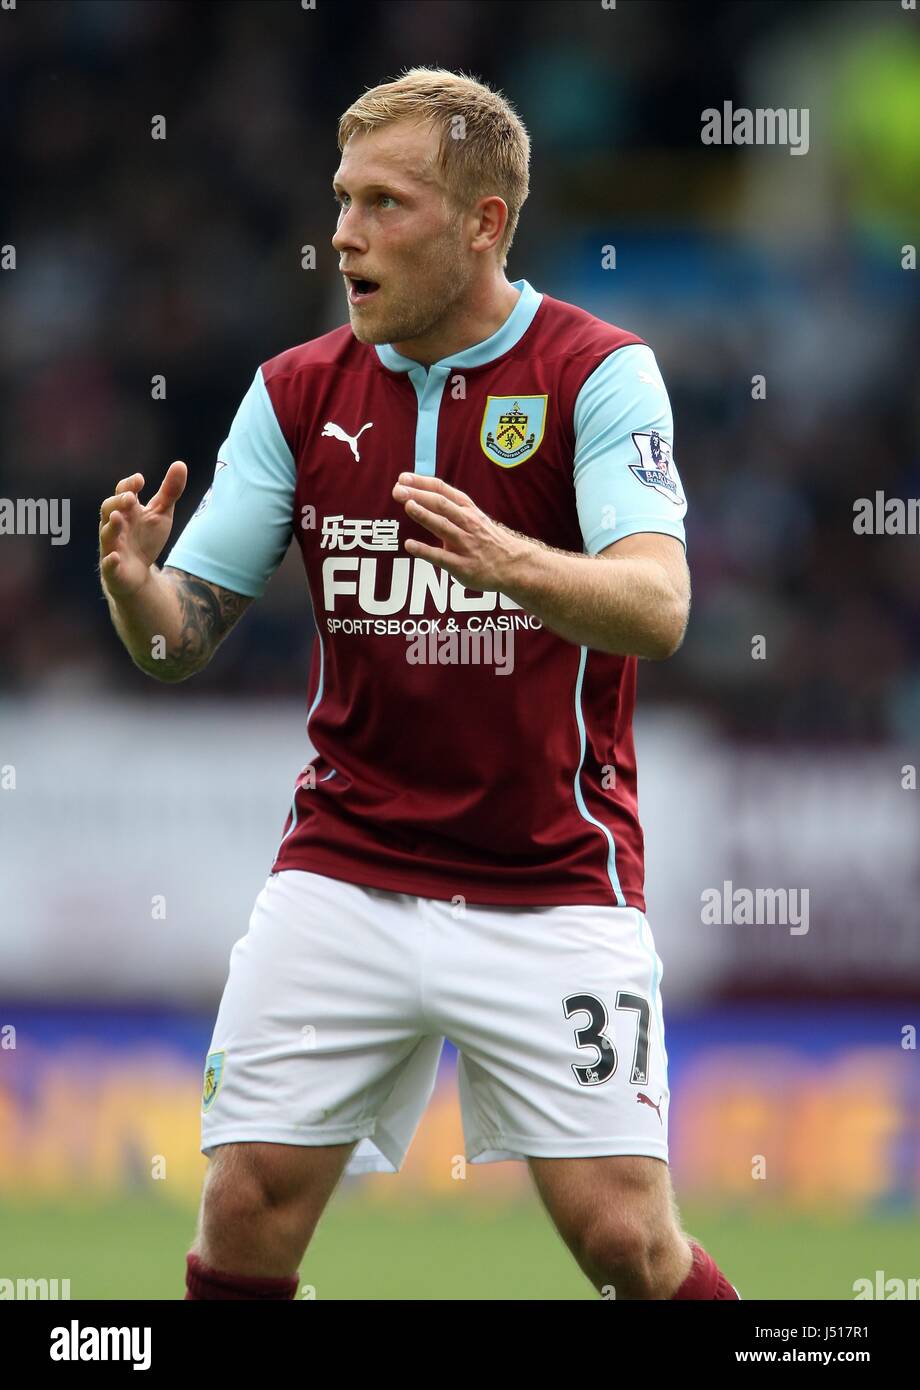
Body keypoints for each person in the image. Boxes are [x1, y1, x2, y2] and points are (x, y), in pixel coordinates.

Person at [98, 66, 737, 1302]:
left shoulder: (596, 374)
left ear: (483, 223)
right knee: (241, 1213)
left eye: (385, 202)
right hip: (344, 866)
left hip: (551, 873)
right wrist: (138, 593)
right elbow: (183, 642)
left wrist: (506, 560)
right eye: (341, 199)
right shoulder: (295, 392)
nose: (342, 232)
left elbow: (659, 609)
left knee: (626, 1241)